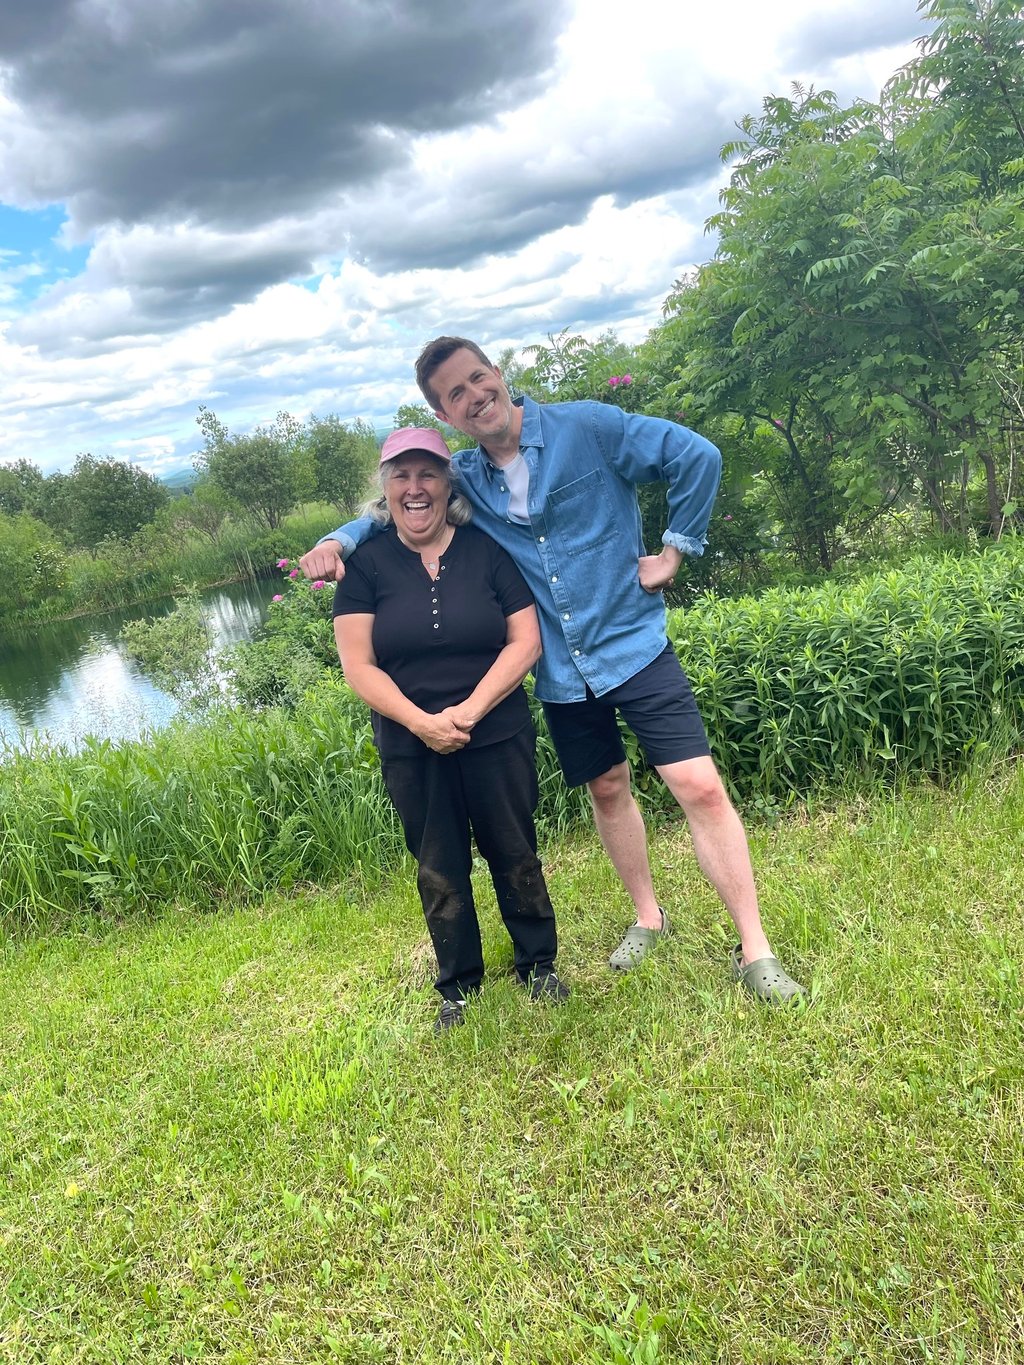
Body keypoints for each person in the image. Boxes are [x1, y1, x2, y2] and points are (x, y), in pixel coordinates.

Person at [304, 338, 807, 1003]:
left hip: (634, 645)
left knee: (698, 785)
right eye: (455, 394)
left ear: (499, 374)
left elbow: (697, 456)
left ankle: (755, 948)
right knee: (606, 786)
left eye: (478, 378)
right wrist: (338, 540)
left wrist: (676, 549)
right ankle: (648, 916)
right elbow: (393, 507)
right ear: (447, 413)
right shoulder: (465, 478)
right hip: (565, 676)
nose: (474, 395)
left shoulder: (590, 427)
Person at [332, 426, 568, 1032]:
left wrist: (470, 711)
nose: (415, 488)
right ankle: (458, 984)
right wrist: (422, 722)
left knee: (515, 851)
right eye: (401, 476)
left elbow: (526, 639)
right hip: (411, 746)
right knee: (438, 863)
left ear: (446, 484)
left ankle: (537, 963)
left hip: (497, 731)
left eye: (428, 474)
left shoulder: (488, 551)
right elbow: (358, 664)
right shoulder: (366, 566)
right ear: (384, 489)